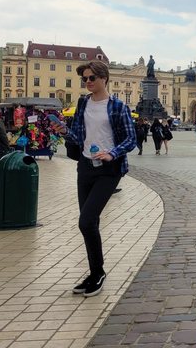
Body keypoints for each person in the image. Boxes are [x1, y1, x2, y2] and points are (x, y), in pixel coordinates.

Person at [51, 61, 136, 297]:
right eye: (84, 79)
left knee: (86, 221)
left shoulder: (118, 106)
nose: (87, 82)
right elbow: (79, 136)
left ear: (104, 78)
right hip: (86, 166)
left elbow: (131, 140)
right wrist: (64, 132)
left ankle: (98, 273)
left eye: (91, 78)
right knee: (90, 223)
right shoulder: (83, 103)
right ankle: (94, 273)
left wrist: (111, 153)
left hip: (109, 169)